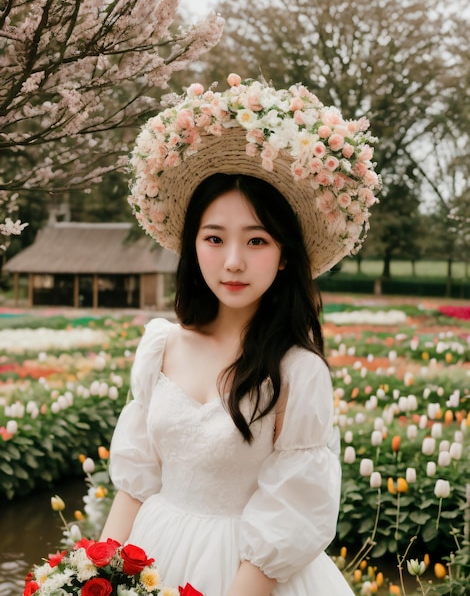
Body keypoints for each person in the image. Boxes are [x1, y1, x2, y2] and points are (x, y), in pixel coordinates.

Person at [100, 73, 381, 595]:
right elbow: (135, 485)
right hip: (153, 553)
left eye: (256, 240)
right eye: (214, 238)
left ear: (283, 255)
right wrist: (94, 576)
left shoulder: (297, 371)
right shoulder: (160, 345)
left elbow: (293, 511)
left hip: (250, 575)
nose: (233, 262)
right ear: (192, 246)